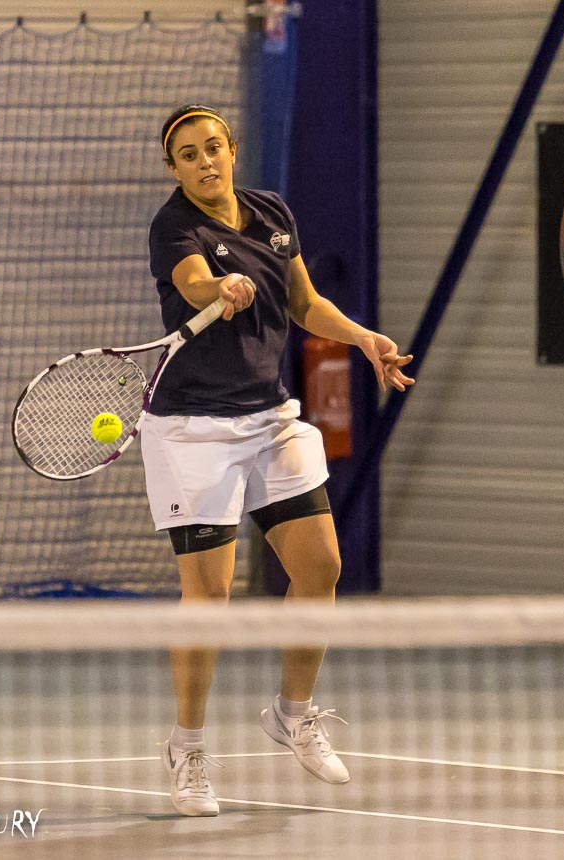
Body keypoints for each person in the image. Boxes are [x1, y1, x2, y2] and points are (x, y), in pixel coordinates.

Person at [143, 104, 415, 816]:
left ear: (232, 150)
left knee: (320, 565)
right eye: (188, 154)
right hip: (194, 429)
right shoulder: (175, 226)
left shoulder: (271, 212)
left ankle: (292, 714)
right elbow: (194, 282)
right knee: (210, 598)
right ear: (174, 169)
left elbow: (303, 302)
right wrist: (218, 288)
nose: (205, 161)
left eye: (213, 147)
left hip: (268, 417)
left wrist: (363, 339)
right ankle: (187, 747)